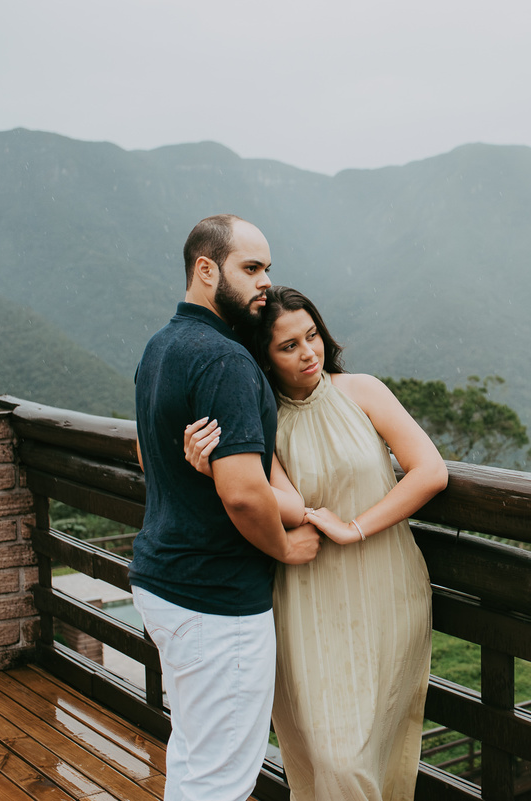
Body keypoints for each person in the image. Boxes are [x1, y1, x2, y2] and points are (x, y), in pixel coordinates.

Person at [185, 286, 448, 800]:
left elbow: (431, 471)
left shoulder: (363, 391)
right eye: (288, 346)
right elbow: (275, 498)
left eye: (312, 337)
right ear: (264, 357)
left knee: (369, 750)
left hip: (386, 586)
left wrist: (356, 526)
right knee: (330, 755)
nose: (308, 353)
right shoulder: (261, 421)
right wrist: (216, 468)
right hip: (305, 594)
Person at [131, 216, 322, 801]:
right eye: (251, 268)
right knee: (220, 780)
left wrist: (208, 465)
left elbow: (145, 454)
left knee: (193, 757)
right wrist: (285, 545)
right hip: (216, 601)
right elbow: (242, 492)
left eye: (267, 268)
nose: (265, 281)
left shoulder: (162, 346)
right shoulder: (224, 362)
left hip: (163, 581)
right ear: (206, 269)